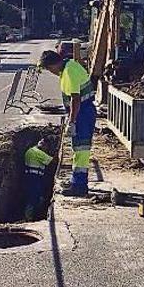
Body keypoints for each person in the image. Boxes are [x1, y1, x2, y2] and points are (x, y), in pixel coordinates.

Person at [39, 50, 96, 197]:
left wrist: (72, 121)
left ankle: (79, 186)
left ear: (54, 64)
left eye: (49, 69)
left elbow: (75, 99)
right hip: (82, 112)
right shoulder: (68, 67)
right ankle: (77, 182)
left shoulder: (69, 71)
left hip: (82, 113)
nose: (51, 72)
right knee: (79, 149)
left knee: (81, 149)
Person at [23, 136, 57, 220]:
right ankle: (29, 217)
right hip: (34, 178)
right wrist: (56, 154)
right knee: (35, 198)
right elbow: (53, 161)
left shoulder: (30, 151)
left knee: (34, 197)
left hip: (30, 177)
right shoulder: (37, 152)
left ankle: (31, 216)